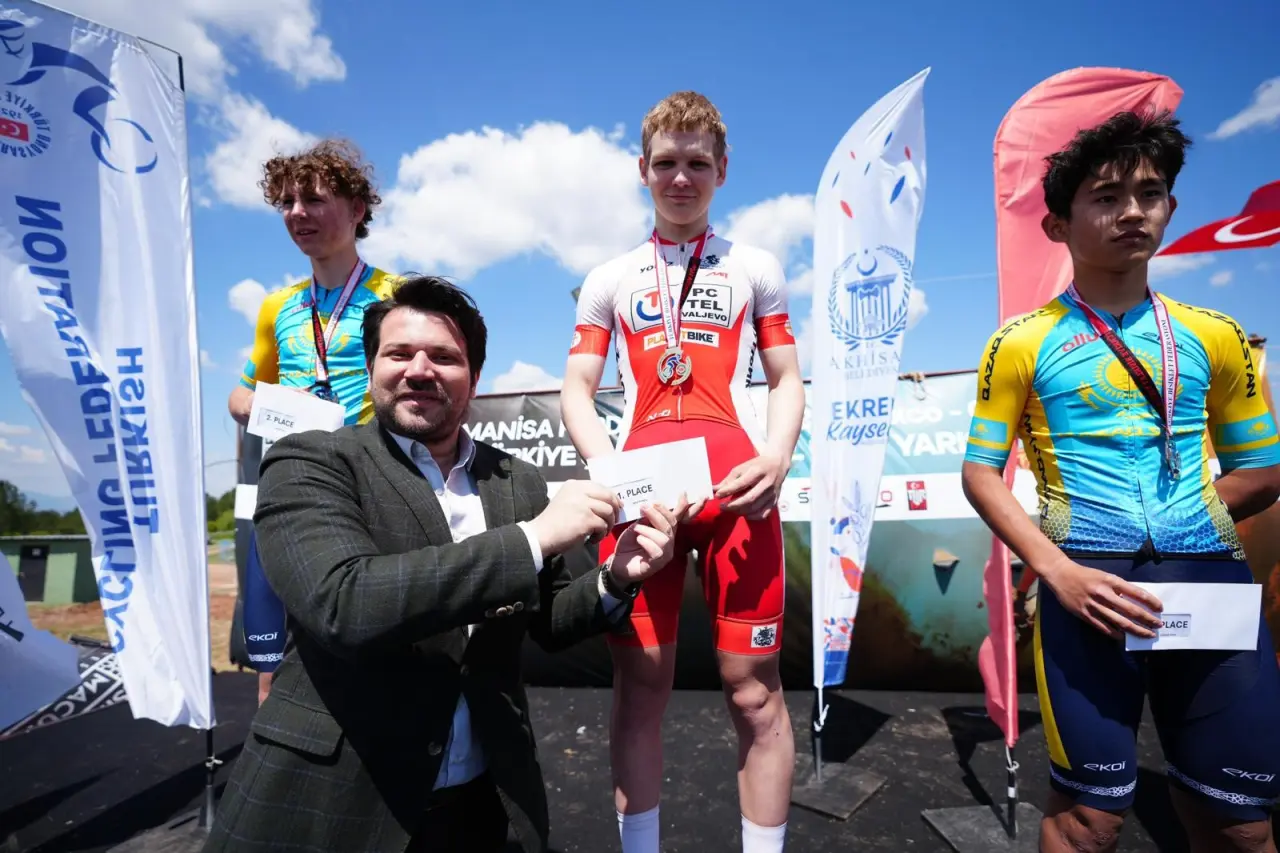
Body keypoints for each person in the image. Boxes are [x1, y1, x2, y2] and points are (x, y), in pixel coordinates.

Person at [204, 275, 701, 853]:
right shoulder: (310, 461)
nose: (419, 370)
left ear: (474, 378)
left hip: (483, 803)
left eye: (443, 357)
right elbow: (344, 604)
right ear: (371, 367)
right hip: (336, 801)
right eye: (398, 354)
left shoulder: (516, 479)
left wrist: (616, 579)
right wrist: (534, 538)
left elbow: (550, 619)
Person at [962, 110, 1280, 853]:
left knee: (1240, 823)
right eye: (1106, 197)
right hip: (1086, 589)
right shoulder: (1021, 341)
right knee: (1088, 822)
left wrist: (1185, 515)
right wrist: (1057, 572)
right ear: (1058, 225)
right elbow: (980, 473)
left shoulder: (1217, 335)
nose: (1132, 211)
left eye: (1150, 193)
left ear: (1170, 205)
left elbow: (1263, 471)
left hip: (1211, 589)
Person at [559, 90, 805, 853]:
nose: (680, 178)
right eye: (666, 162)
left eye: (697, 163)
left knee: (754, 693)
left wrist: (776, 456)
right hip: (642, 499)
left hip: (738, 492)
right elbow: (576, 388)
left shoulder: (755, 267)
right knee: (640, 690)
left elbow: (786, 378)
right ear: (642, 169)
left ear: (722, 170)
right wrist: (609, 470)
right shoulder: (610, 277)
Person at [227, 139, 398, 703]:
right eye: (287, 202)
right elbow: (240, 393)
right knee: (274, 661)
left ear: (357, 209)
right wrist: (260, 404)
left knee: (370, 642)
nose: (298, 213)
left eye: (315, 199)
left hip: (369, 483)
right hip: (293, 484)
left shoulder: (395, 294)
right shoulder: (277, 306)